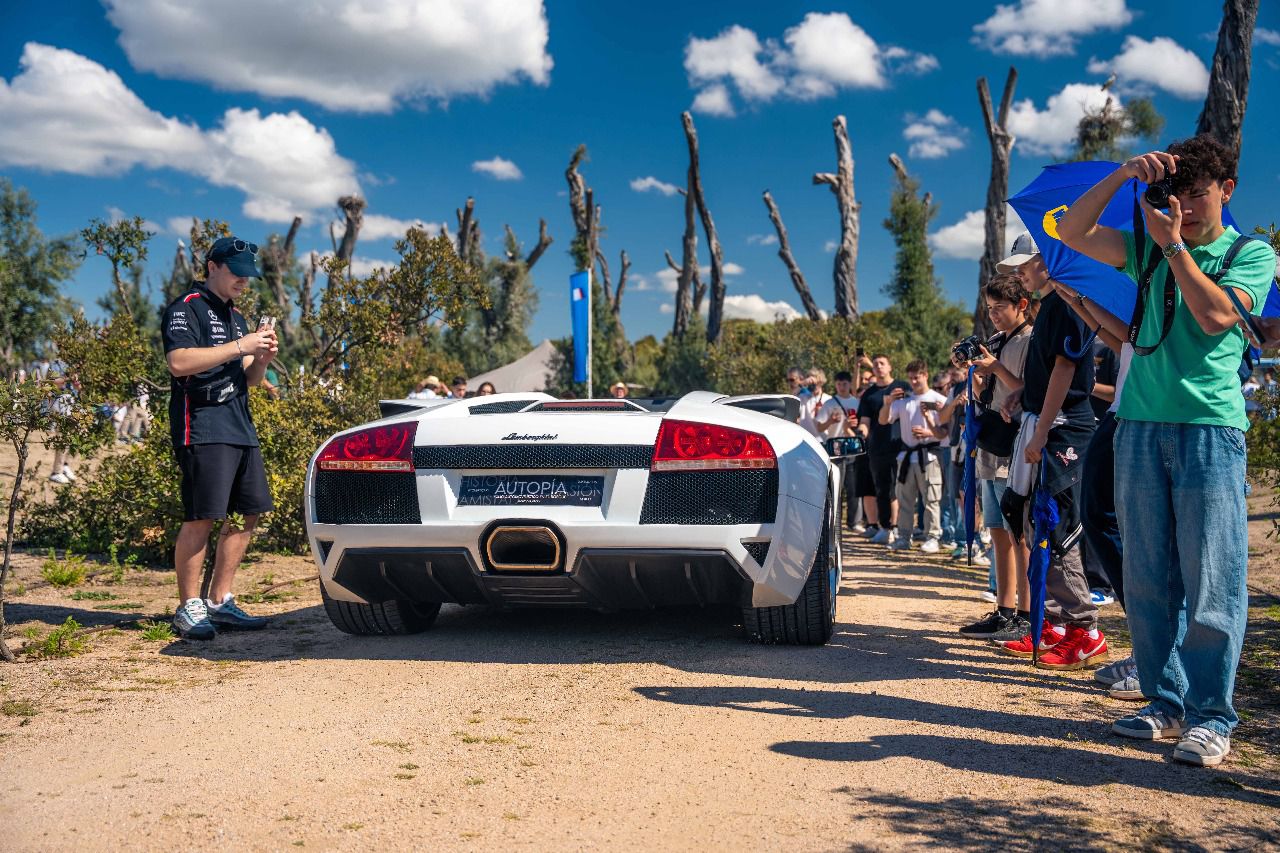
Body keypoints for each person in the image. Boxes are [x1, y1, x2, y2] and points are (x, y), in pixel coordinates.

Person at [1058, 136, 1276, 766]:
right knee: (1149, 579)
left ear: (1227, 192)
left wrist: (1175, 245)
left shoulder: (1250, 252)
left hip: (1209, 430)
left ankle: (1213, 715)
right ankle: (1165, 701)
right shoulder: (1144, 248)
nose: (1183, 206)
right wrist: (1125, 176)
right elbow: (1071, 230)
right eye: (1174, 195)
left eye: (1198, 195)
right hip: (1139, 427)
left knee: (1214, 579)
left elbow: (1213, 316)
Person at [994, 232, 1106, 673]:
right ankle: (1056, 623)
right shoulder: (1050, 307)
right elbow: (1046, 374)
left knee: (1056, 528)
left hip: (1065, 432)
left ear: (1051, 258)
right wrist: (1021, 395)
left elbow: (1066, 369)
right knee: (1032, 522)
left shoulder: (1067, 304)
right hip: (1044, 424)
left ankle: (1086, 631)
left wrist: (1040, 432)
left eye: (1026, 263)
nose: (1020, 272)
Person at [162, 237, 278, 641]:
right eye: (237, 273)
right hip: (203, 425)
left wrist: (259, 358)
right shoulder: (186, 307)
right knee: (202, 515)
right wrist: (239, 346)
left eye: (249, 276)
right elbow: (178, 363)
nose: (244, 282)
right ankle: (188, 607)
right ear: (212, 266)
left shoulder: (238, 318)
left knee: (249, 512)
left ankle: (219, 600)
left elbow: (248, 379)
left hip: (240, 425)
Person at [1052, 278, 1140, 700]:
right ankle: (1149, 649)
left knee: (1145, 541)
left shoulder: (1180, 268)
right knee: (1101, 523)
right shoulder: (1148, 275)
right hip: (1123, 415)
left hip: (1154, 416)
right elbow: (1121, 336)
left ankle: (1160, 658)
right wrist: (1078, 296)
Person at [957, 272, 1032, 640]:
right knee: (998, 532)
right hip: (990, 445)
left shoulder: (1030, 340)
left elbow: (1032, 392)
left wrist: (996, 367)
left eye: (999, 308)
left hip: (1016, 446)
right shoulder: (996, 341)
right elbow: (989, 389)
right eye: (988, 309)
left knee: (1020, 534)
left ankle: (1028, 613)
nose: (993, 316)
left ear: (1022, 305)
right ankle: (1004, 610)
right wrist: (974, 370)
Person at [878, 360, 946, 553]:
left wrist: (928, 433)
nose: (914, 381)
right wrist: (888, 402)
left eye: (917, 376)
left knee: (931, 499)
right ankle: (903, 537)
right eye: (910, 378)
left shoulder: (937, 399)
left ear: (925, 375)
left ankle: (932, 536)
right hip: (906, 456)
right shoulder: (903, 401)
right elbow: (883, 420)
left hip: (929, 456)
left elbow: (945, 432)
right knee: (905, 499)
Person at [857, 356, 910, 544]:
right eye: (876, 364)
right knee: (882, 488)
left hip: (902, 446)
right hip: (877, 447)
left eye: (882, 364)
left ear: (890, 367)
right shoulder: (869, 394)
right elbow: (864, 421)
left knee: (900, 489)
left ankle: (899, 528)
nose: (878, 367)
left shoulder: (902, 387)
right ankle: (885, 527)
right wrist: (861, 432)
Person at [816, 370, 862, 528]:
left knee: (854, 486)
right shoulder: (830, 403)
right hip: (835, 447)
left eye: (845, 384)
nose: (842, 387)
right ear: (835, 385)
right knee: (836, 485)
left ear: (850, 384)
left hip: (854, 446)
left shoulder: (857, 403)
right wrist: (830, 421)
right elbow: (818, 426)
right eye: (839, 384)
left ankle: (854, 522)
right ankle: (834, 521)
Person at [798, 368, 832, 438]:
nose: (813, 385)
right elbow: (791, 396)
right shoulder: (803, 397)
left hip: (823, 439)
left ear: (821, 382)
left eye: (816, 383)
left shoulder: (828, 399)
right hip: (806, 439)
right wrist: (803, 383)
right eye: (811, 383)